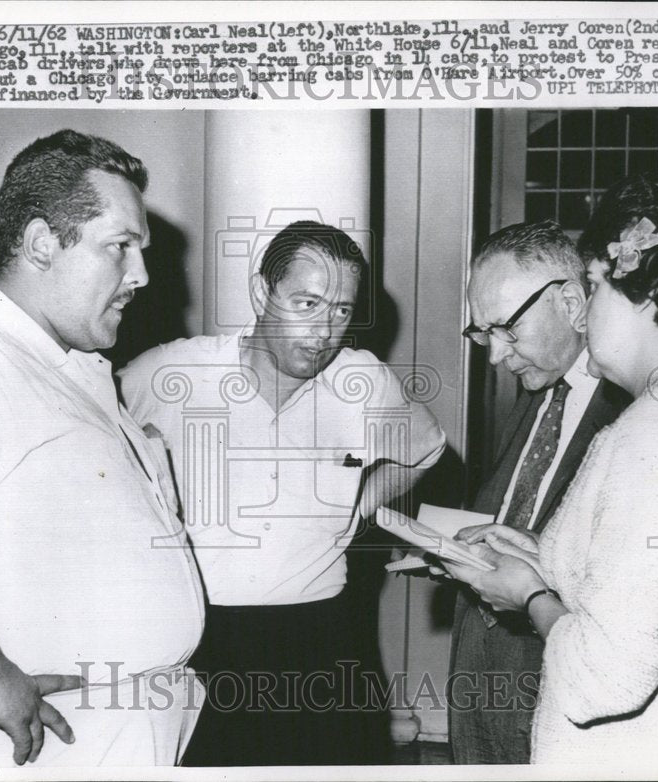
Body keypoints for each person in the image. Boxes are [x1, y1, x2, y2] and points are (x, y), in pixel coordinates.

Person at [0, 129, 206, 767]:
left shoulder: (70, 364)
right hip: (21, 749)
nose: (142, 275)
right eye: (120, 248)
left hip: (108, 741)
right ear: (41, 244)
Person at [444, 173, 658, 766]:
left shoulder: (650, 433)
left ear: (639, 290)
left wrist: (531, 592)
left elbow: (602, 680)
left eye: (591, 285)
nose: (584, 314)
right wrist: (541, 556)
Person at [118, 220, 446, 766]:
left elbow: (426, 448)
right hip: (201, 638)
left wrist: (360, 509)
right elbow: (94, 443)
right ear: (260, 291)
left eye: (341, 310)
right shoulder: (171, 371)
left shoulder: (360, 380)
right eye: (307, 302)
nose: (323, 330)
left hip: (323, 636)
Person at [448, 220, 631, 764]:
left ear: (572, 302)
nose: (494, 356)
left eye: (507, 329)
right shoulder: (539, 387)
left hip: (556, 688)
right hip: (481, 678)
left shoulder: (635, 408)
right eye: (483, 333)